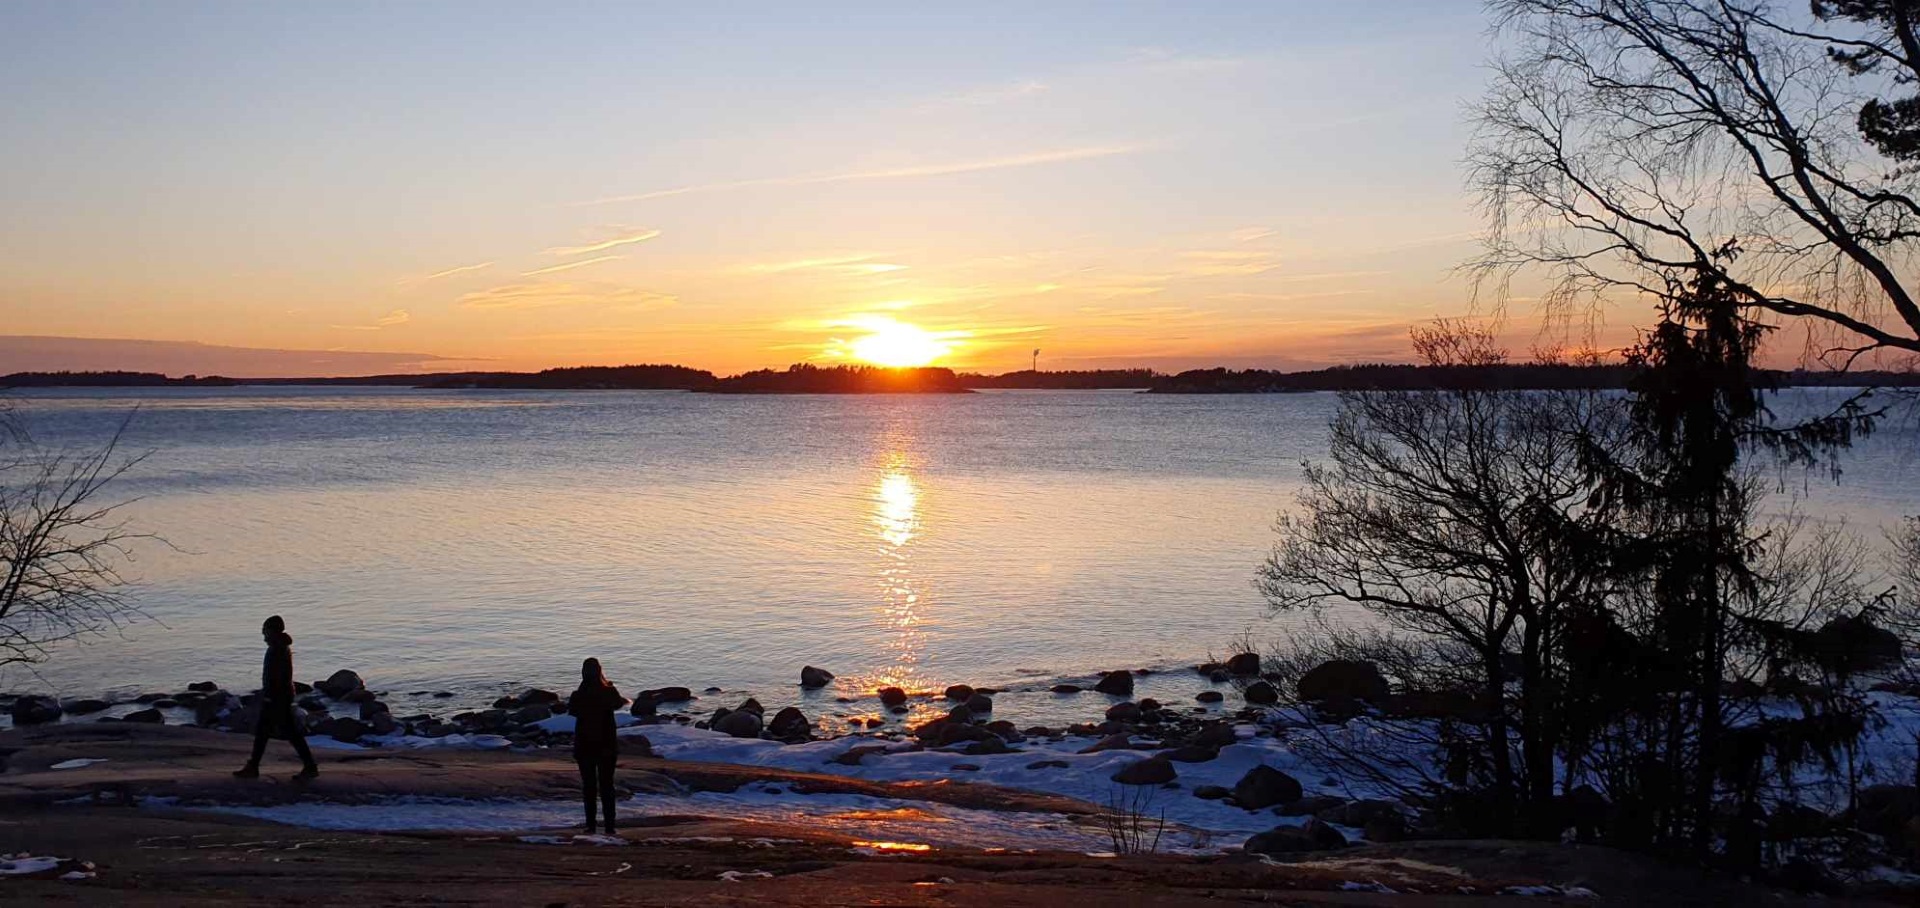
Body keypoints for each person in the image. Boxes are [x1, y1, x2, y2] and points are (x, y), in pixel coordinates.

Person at [233, 615, 319, 781]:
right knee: (267, 732)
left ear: (271, 631)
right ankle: (254, 766)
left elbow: (276, 677)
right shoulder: (279, 646)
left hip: (277, 697)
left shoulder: (277, 649)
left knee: (283, 732)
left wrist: (269, 697)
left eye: (265, 631)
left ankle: (309, 766)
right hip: (280, 696)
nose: (263, 635)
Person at [569, 658, 625, 833]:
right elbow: (619, 703)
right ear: (600, 670)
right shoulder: (609, 691)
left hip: (584, 746)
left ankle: (591, 826)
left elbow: (573, 711)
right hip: (607, 746)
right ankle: (610, 827)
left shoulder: (578, 695)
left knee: (589, 787)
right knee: (607, 786)